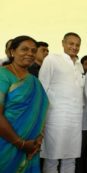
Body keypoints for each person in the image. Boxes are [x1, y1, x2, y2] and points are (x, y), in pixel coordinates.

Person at [0, 35, 49, 172]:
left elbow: (41, 111)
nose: (30, 53)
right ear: (12, 52)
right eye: (24, 49)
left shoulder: (35, 82)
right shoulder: (2, 75)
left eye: (33, 51)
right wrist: (20, 143)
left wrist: (39, 139)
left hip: (31, 148)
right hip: (5, 145)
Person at [39, 32, 84, 173]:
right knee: (52, 157)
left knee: (71, 157)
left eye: (77, 45)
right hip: (55, 116)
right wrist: (41, 118)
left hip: (75, 118)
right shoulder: (52, 59)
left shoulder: (79, 65)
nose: (74, 47)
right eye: (71, 43)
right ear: (63, 43)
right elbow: (42, 88)